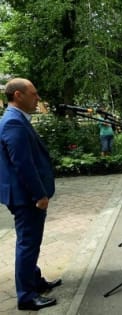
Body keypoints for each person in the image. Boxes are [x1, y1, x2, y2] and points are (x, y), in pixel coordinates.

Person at [0, 78, 61, 311]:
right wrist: (39, 195)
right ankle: (26, 296)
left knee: (30, 242)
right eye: (34, 94)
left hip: (22, 195)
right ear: (18, 95)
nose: (38, 98)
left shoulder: (16, 119)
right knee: (27, 244)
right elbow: (22, 164)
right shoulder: (13, 123)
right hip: (26, 197)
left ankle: (35, 281)